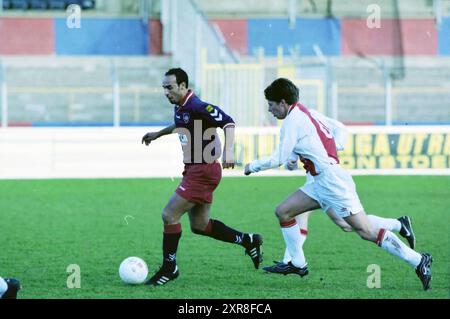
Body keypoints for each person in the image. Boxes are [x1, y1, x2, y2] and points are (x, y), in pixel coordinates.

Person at [244, 78, 432, 290]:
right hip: (319, 181)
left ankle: (418, 260)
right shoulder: (304, 112)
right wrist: (314, 153)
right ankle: (297, 263)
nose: (270, 110)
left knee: (365, 231)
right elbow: (316, 139)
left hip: (332, 182)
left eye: (271, 104)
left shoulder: (292, 122)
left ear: (283, 102)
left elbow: (279, 157)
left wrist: (252, 166)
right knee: (284, 211)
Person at [141, 68, 263, 286]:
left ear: (183, 86)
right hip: (196, 170)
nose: (166, 92)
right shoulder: (182, 107)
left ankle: (170, 268)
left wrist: (229, 150)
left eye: (169, 87)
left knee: (169, 215)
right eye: (163, 88)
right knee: (200, 225)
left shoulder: (198, 106)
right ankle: (248, 240)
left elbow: (228, 122)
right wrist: (157, 134)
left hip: (203, 171)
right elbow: (181, 124)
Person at [257, 110, 416, 276]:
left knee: (349, 225)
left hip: (326, 178)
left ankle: (293, 262)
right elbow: (298, 146)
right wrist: (293, 158)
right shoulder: (295, 120)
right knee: (298, 215)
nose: (270, 108)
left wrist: (330, 149)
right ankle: (292, 261)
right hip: (315, 178)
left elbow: (340, 129)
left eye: (272, 104)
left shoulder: (307, 115)